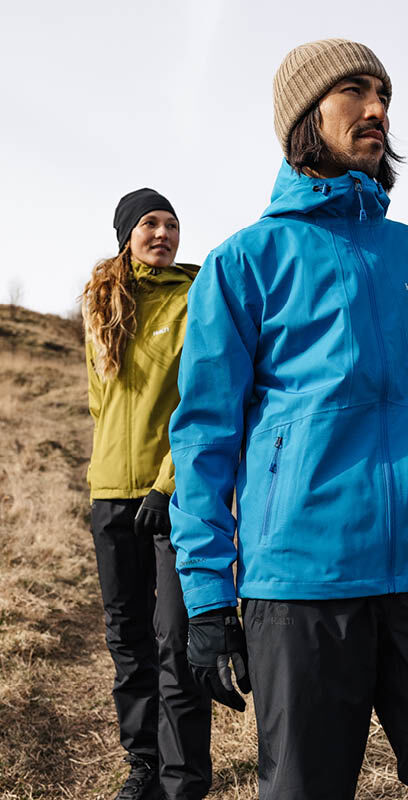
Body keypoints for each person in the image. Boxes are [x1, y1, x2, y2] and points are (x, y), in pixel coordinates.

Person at [169, 38, 408, 800]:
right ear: (304, 114)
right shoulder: (245, 262)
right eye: (356, 91)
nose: (379, 110)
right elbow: (203, 442)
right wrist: (207, 597)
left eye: (384, 94)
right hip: (301, 585)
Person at [82, 188, 211, 800]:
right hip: (108, 494)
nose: (162, 233)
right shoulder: (102, 300)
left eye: (171, 224)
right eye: (149, 224)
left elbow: (202, 402)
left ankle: (185, 778)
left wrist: (166, 481)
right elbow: (98, 399)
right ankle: (143, 766)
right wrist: (108, 473)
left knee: (174, 640)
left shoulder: (194, 298)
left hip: (170, 497)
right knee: (126, 637)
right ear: (126, 234)